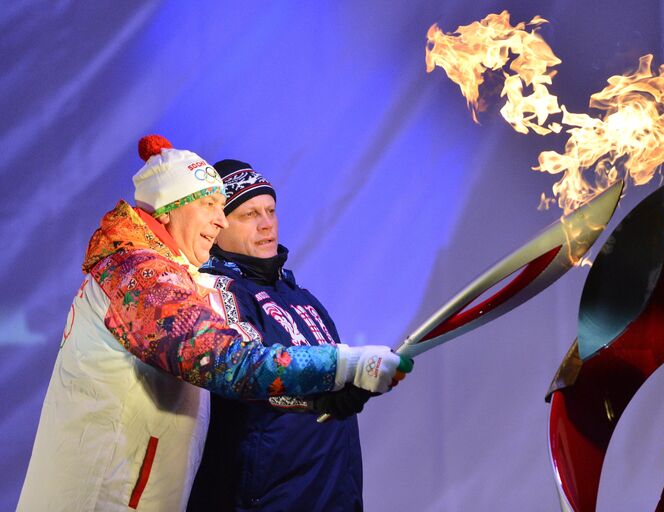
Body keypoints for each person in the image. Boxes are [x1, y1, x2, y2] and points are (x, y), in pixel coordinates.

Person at [17, 136, 410, 511]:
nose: (220, 222)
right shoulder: (140, 278)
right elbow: (223, 362)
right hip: (101, 499)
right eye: (209, 205)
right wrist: (340, 365)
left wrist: (319, 396)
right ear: (170, 208)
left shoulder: (182, 278)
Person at [186, 160, 397, 511]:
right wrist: (339, 377)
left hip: (333, 497)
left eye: (270, 210)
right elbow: (250, 379)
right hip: (268, 500)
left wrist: (357, 378)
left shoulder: (302, 297)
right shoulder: (215, 292)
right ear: (219, 225)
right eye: (248, 214)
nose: (266, 223)